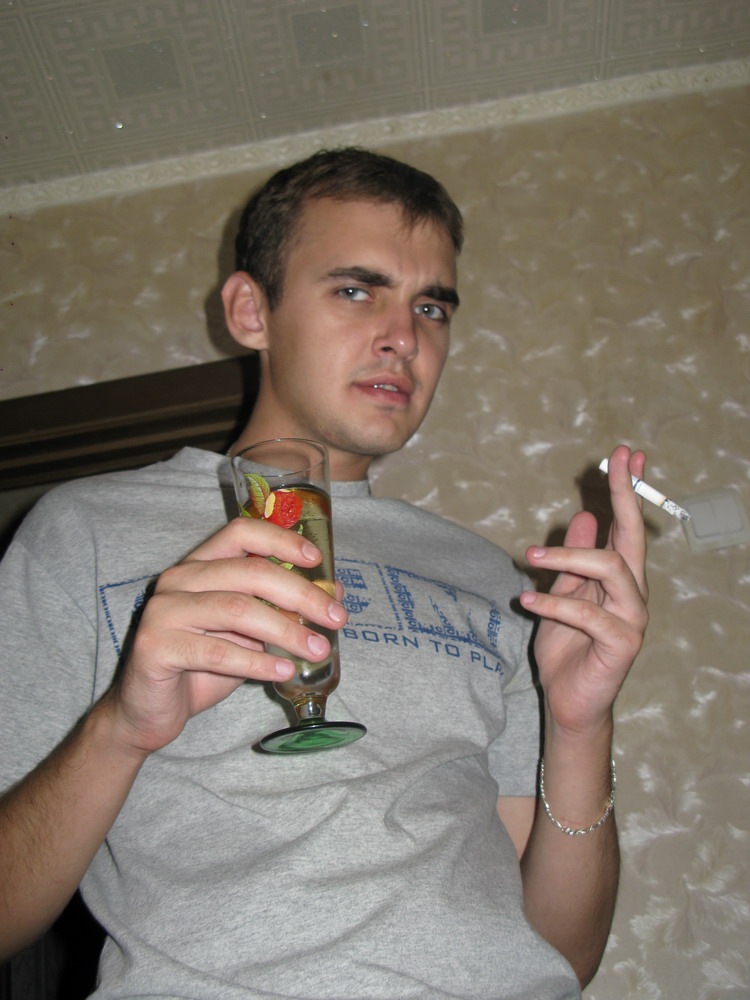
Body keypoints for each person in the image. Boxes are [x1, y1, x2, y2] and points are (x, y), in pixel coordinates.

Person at [0, 148, 648, 999]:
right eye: (355, 290)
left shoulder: (492, 579)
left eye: (431, 306)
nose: (404, 337)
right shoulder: (83, 533)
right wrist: (121, 726)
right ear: (250, 311)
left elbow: (562, 953)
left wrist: (580, 727)